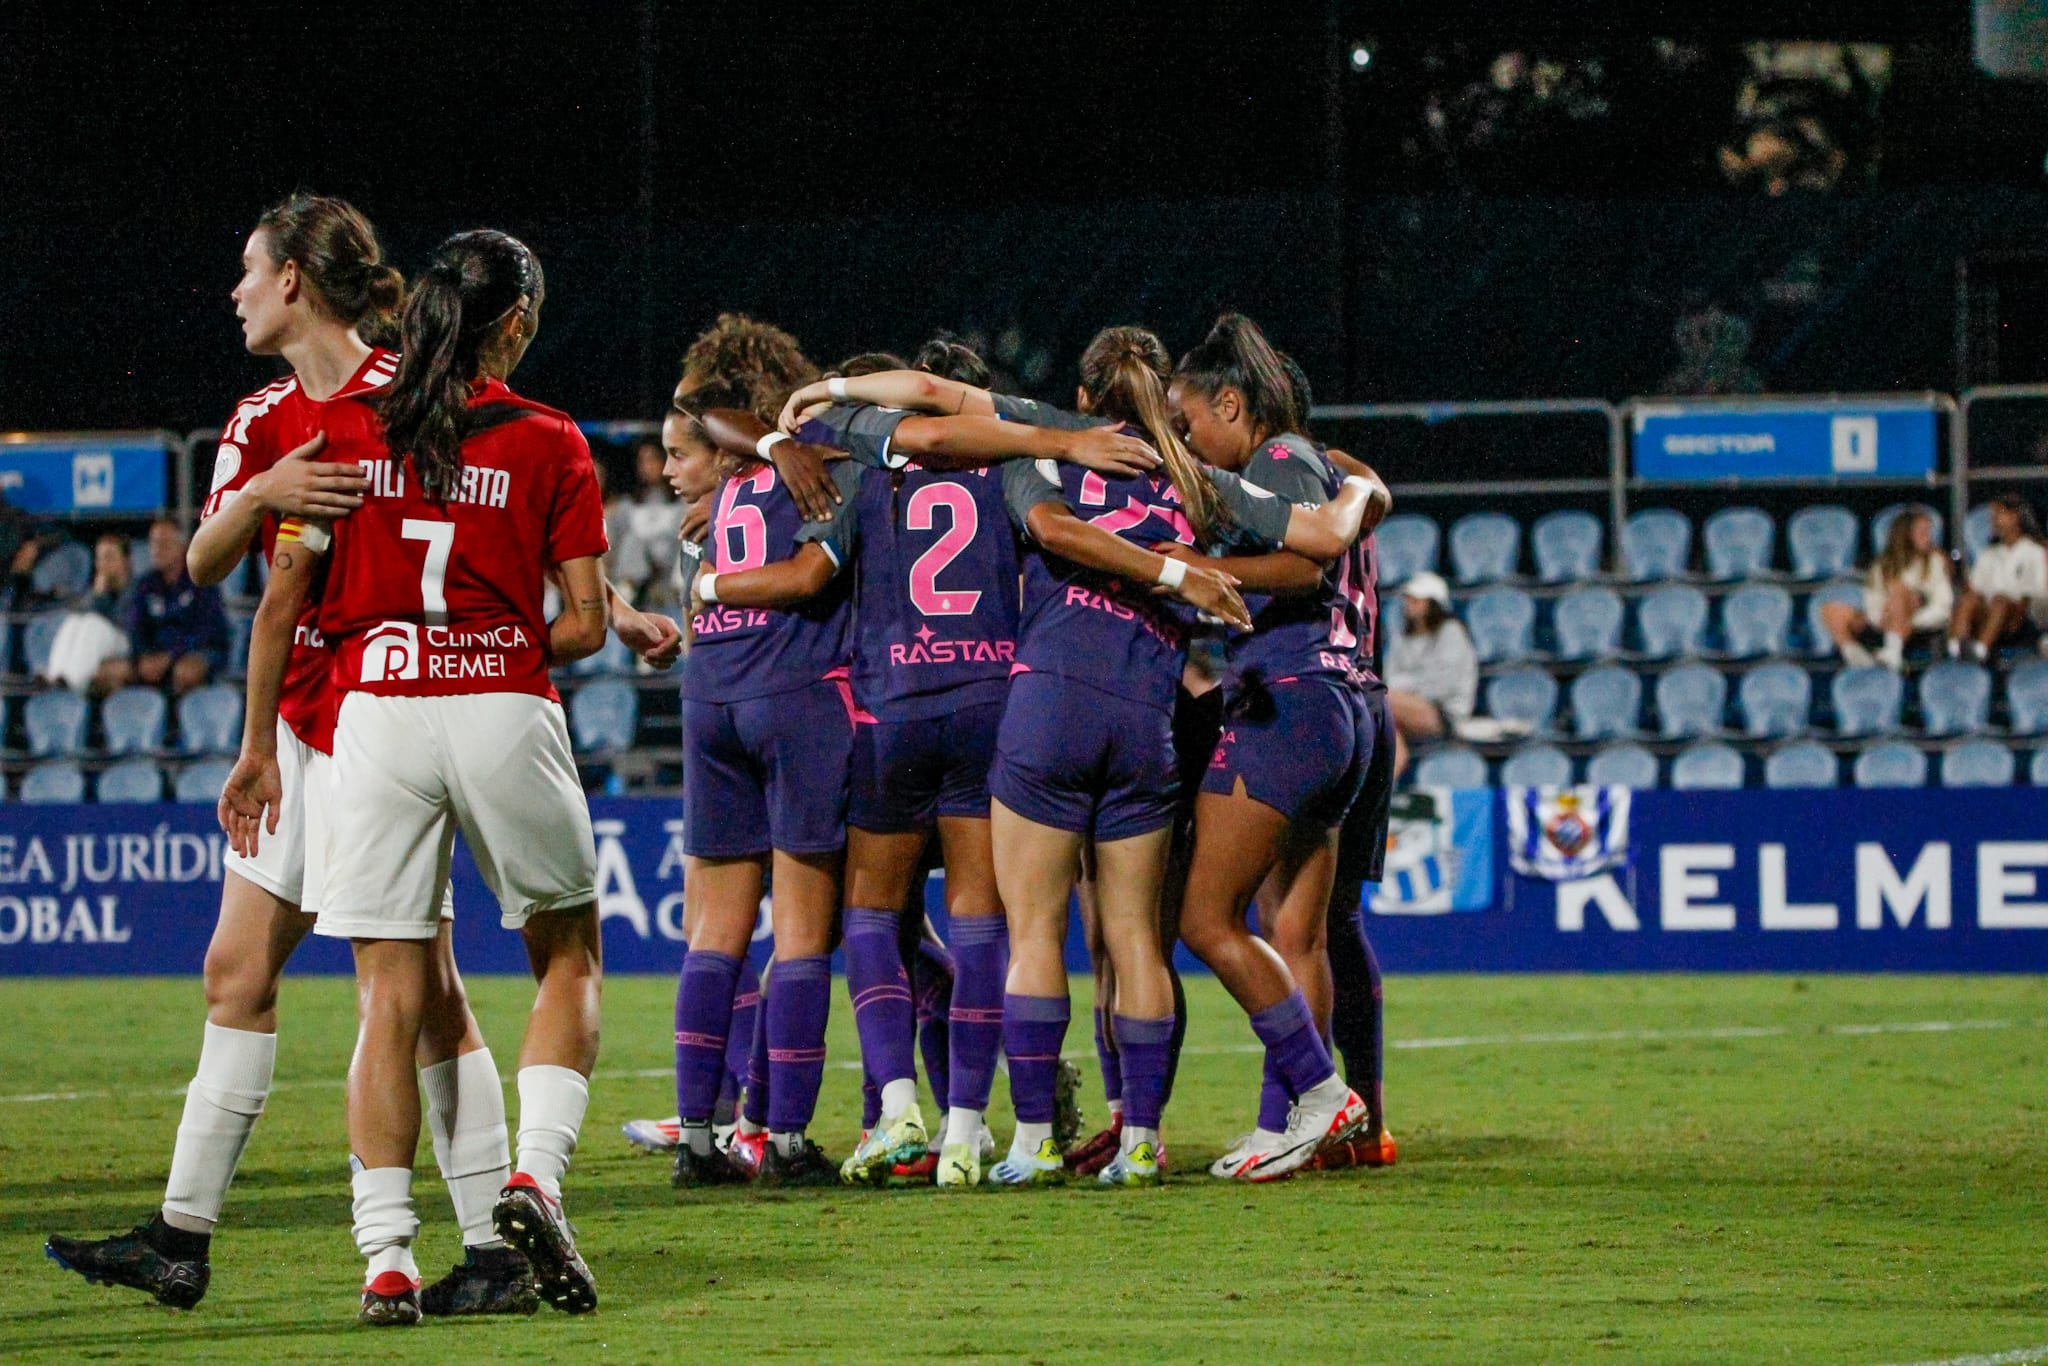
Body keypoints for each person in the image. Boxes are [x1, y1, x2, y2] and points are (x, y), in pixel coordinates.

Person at [46, 194, 528, 1320]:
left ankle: (474, 1244)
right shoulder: (263, 419)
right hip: (304, 723)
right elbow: (212, 564)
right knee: (239, 971)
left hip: (387, 725)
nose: (236, 291)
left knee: (421, 993)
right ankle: (181, 1237)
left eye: (249, 270)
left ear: (295, 283)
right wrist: (265, 494)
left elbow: (484, 518)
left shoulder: (411, 398)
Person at [696, 351, 1221, 1189]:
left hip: (892, 705)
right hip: (994, 701)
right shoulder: (1020, 463)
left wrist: (772, 461)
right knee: (987, 922)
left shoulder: (861, 461)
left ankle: (896, 1108)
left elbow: (714, 420)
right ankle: (968, 1133)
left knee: (873, 915)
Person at [224, 229, 610, 1325]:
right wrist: (496, 646)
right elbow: (583, 623)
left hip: (376, 712)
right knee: (566, 952)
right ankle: (533, 1177)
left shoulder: (345, 431)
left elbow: (282, 597)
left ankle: (386, 1260)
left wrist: (259, 743)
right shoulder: (550, 438)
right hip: (500, 698)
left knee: (388, 998)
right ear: (515, 325)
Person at [976, 326, 1375, 1188]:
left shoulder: (1039, 453)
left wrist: (821, 407)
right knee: (1143, 939)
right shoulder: (1195, 481)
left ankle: (1033, 1140)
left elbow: (1037, 517)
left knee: (1043, 933)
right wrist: (1364, 484)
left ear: (1084, 400)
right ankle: (1143, 1142)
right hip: (1150, 718)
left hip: (1055, 701)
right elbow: (1316, 538)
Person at [1165, 313, 1388, 1181]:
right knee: (1298, 931)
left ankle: (1320, 1096)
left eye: (1191, 422)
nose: (1188, 439)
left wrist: (1192, 572)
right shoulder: (1329, 467)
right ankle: (1290, 1122)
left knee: (1204, 918)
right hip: (1340, 702)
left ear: (1232, 403)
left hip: (1291, 702)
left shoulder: (1279, 459)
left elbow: (1303, 568)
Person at [98, 519, 230, 697]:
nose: (156, 550)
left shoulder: (202, 581)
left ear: (182, 547)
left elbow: (206, 632)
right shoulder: (146, 584)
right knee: (108, 671)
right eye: (153, 544)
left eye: (164, 543)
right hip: (154, 655)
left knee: (186, 672)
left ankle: (180, 714)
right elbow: (136, 627)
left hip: (193, 652)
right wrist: (144, 657)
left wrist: (170, 656)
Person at [1820, 506, 1952, 670]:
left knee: (1899, 589)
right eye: (1922, 532)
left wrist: (1910, 621)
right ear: (1906, 536)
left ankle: (1893, 654)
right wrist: (1881, 620)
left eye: (1928, 532)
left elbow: (1942, 606)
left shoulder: (1936, 561)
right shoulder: (1882, 564)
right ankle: (1856, 657)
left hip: (1918, 626)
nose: (1928, 537)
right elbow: (1873, 600)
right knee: (1831, 608)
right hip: (1885, 620)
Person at [1382, 571, 1478, 777]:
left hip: (1445, 713)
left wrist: (1407, 689)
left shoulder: (1451, 632)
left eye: (1417, 600)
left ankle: (1396, 764)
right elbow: (1391, 676)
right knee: (1382, 719)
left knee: (1378, 699)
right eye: (1409, 599)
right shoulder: (1401, 637)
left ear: (1432, 604)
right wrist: (1410, 690)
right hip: (1405, 707)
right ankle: (1395, 766)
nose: (1409, 604)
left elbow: (1443, 686)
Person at [1950, 495, 2048, 662]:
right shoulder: (1989, 554)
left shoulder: (2034, 551)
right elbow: (1974, 588)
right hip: (1989, 611)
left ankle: (1980, 651)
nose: (1993, 520)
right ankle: (1956, 649)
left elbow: (2037, 592)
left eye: (1998, 514)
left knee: (2000, 601)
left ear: (2014, 516)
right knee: (1969, 600)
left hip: (2018, 616)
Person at [41, 533, 133, 693]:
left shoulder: (136, 588)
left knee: (93, 624)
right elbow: (81, 614)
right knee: (73, 621)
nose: (103, 564)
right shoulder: (98, 589)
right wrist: (98, 595)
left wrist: (100, 598)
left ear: (125, 560)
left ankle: (72, 683)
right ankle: (54, 676)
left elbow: (125, 621)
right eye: (100, 559)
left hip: (127, 640)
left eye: (109, 557)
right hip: (104, 639)